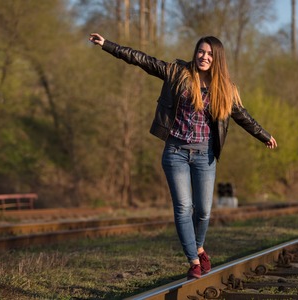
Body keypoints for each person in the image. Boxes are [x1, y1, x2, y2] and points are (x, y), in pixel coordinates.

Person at [89, 33, 278, 280]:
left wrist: (264, 135)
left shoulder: (225, 89)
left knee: (204, 211)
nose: (204, 57)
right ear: (195, 52)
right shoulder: (178, 73)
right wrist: (108, 45)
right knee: (183, 208)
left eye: (210, 54)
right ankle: (193, 260)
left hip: (204, 155)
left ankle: (199, 248)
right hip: (175, 152)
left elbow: (242, 116)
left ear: (217, 58)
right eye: (201, 51)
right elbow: (142, 59)